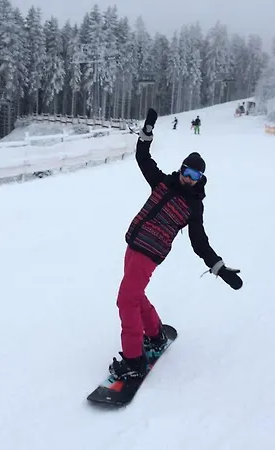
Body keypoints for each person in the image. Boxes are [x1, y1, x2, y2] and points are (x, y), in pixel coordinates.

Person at [109, 108, 242, 381]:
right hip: (133, 245)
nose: (189, 178)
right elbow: (143, 158)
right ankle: (155, 334)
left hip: (149, 254)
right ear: (181, 168)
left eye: (195, 175)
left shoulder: (194, 206)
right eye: (187, 171)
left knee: (126, 300)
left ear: (200, 178)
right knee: (135, 295)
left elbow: (199, 242)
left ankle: (134, 360)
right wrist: (147, 133)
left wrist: (219, 267)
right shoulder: (162, 183)